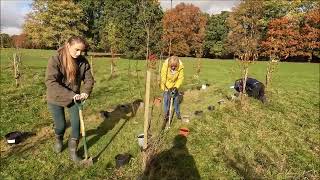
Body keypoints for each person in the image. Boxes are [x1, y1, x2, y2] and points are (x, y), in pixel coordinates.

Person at [45, 36, 94, 162]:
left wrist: (85, 92)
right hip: (55, 97)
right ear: (68, 45)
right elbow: (51, 82)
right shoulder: (55, 59)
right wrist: (71, 94)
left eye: (82, 51)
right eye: (76, 50)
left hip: (75, 99)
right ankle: (59, 139)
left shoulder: (83, 62)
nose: (79, 53)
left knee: (76, 124)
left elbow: (89, 80)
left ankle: (73, 152)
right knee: (61, 125)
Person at [160, 56, 184, 127]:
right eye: (171, 66)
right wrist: (168, 87)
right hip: (166, 86)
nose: (173, 67)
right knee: (166, 101)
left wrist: (176, 87)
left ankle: (177, 113)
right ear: (169, 64)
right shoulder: (165, 66)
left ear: (177, 64)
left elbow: (180, 78)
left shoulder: (180, 67)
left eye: (175, 66)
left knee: (176, 100)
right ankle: (166, 115)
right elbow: (163, 77)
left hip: (174, 86)